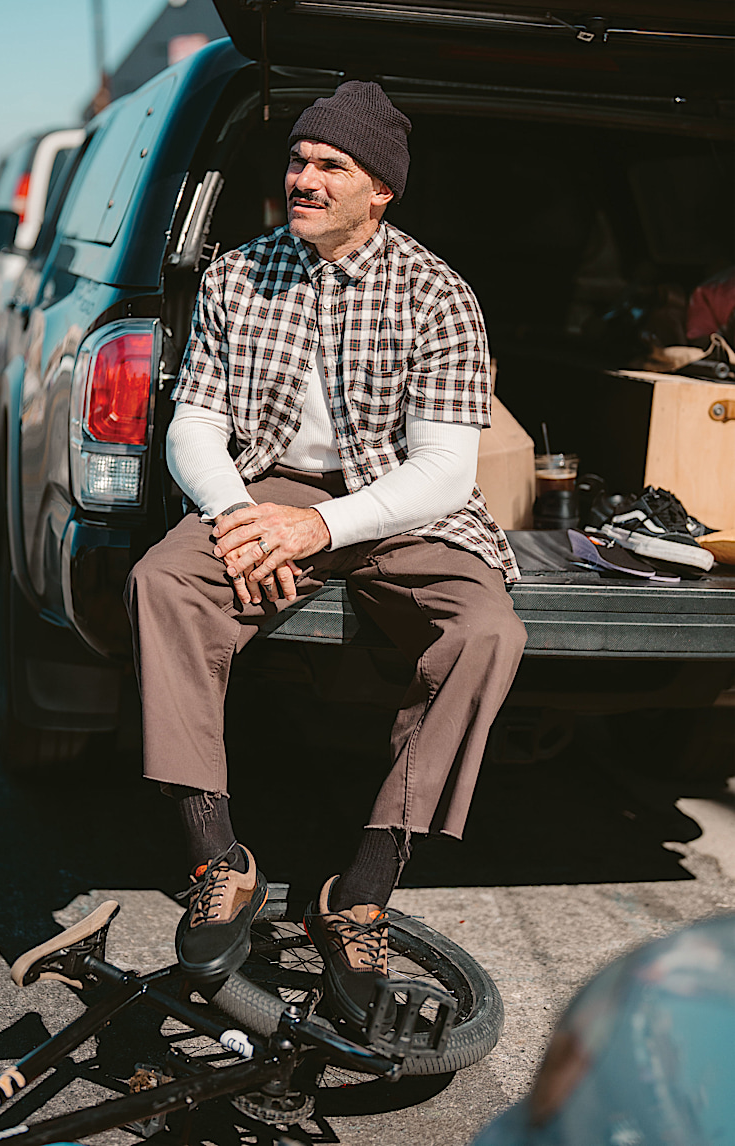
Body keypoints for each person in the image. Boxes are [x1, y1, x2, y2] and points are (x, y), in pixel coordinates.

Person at [126, 81, 526, 1026]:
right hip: (267, 489)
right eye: (298, 160)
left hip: (399, 502)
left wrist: (320, 529)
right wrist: (237, 516)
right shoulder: (236, 274)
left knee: (486, 630)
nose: (302, 178)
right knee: (161, 583)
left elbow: (441, 472)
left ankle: (364, 891)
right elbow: (195, 427)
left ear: (380, 189)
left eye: (328, 166)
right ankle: (216, 859)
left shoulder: (438, 295)